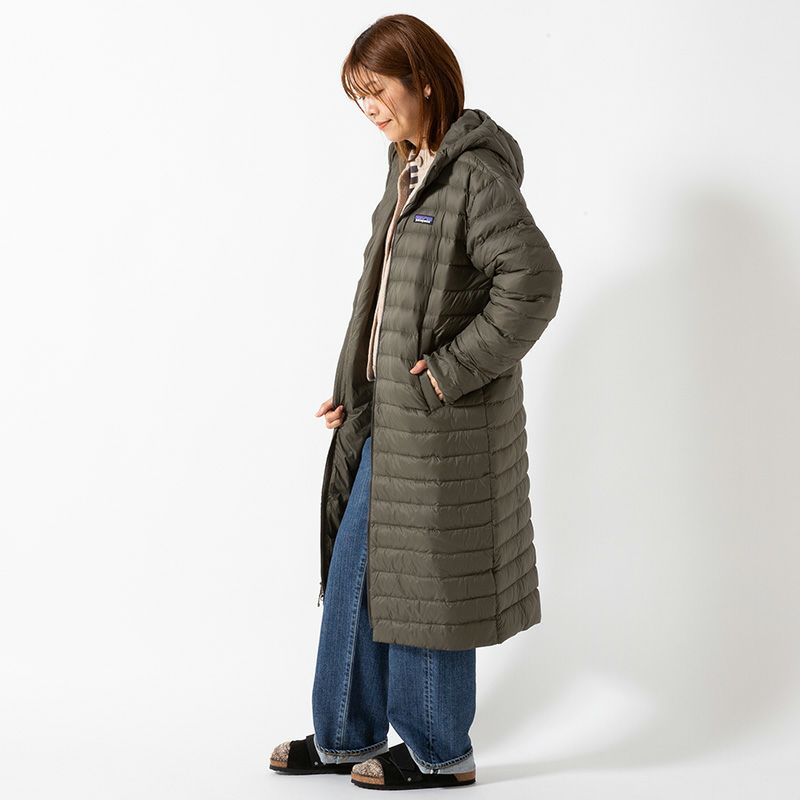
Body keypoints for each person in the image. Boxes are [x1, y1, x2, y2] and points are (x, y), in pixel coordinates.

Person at [269, 13, 562, 791]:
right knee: (356, 574)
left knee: (429, 581)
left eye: (377, 89)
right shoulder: (406, 170)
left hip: (443, 425)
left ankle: (439, 751)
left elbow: (534, 283)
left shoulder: (473, 176)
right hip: (389, 417)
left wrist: (444, 375)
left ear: (424, 81)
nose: (368, 106)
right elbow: (385, 300)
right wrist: (353, 387)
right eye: (357, 94)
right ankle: (345, 736)